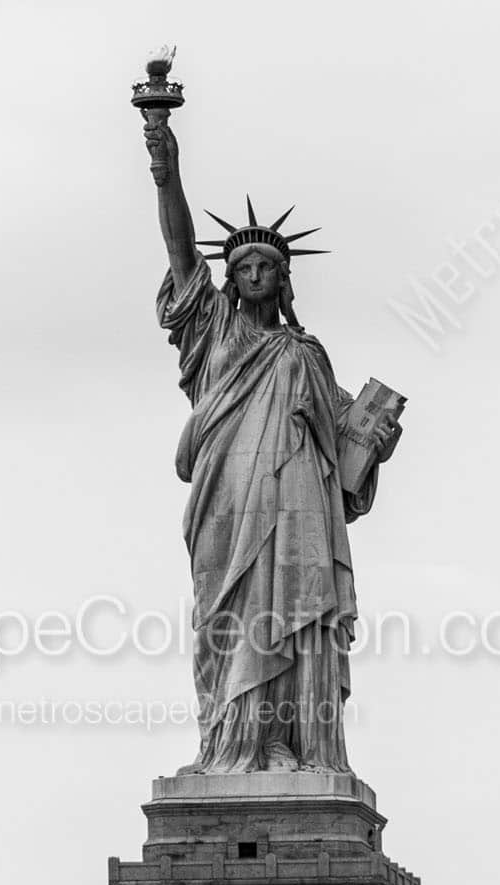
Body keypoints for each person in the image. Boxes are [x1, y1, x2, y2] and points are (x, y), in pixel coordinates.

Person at [142, 115, 400, 774]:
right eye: (244, 267)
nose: (255, 273)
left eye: (267, 267)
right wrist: (165, 164)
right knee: (229, 618)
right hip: (227, 502)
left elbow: (345, 454)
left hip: (299, 505)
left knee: (296, 613)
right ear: (229, 281)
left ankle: (288, 742)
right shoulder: (212, 332)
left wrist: (377, 441)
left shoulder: (305, 354)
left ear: (284, 281)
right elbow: (180, 249)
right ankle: (229, 744)